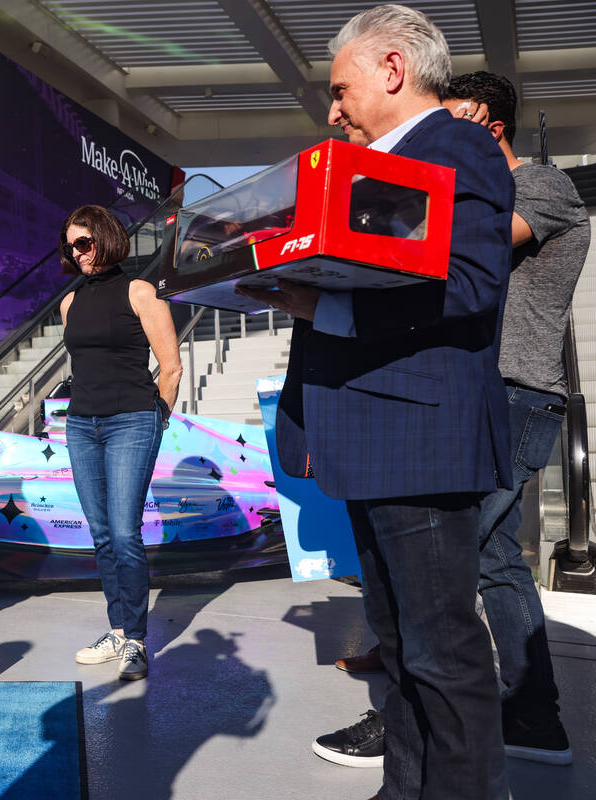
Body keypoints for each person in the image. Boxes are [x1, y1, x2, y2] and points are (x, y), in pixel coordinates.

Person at [235, 6, 515, 799]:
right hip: (373, 432)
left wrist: (317, 306)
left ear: (393, 69)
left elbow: (468, 283)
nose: (331, 110)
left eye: (340, 89)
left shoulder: (454, 145)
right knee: (400, 647)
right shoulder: (371, 164)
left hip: (416, 437)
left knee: (441, 652)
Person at [313, 70, 588, 770]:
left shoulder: (541, 186)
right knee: (488, 557)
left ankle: (448, 721)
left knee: (456, 566)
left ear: (490, 124)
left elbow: (466, 250)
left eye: (458, 118)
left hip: (519, 390)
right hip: (481, 390)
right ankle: (528, 716)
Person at [59, 204, 181, 681]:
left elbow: (170, 367)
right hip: (81, 426)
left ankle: (136, 639)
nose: (77, 253)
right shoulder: (70, 302)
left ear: (105, 238)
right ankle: (116, 628)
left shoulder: (140, 292)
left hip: (133, 420)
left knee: (126, 532)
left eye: (83, 242)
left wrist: (158, 420)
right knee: (102, 534)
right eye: (70, 246)